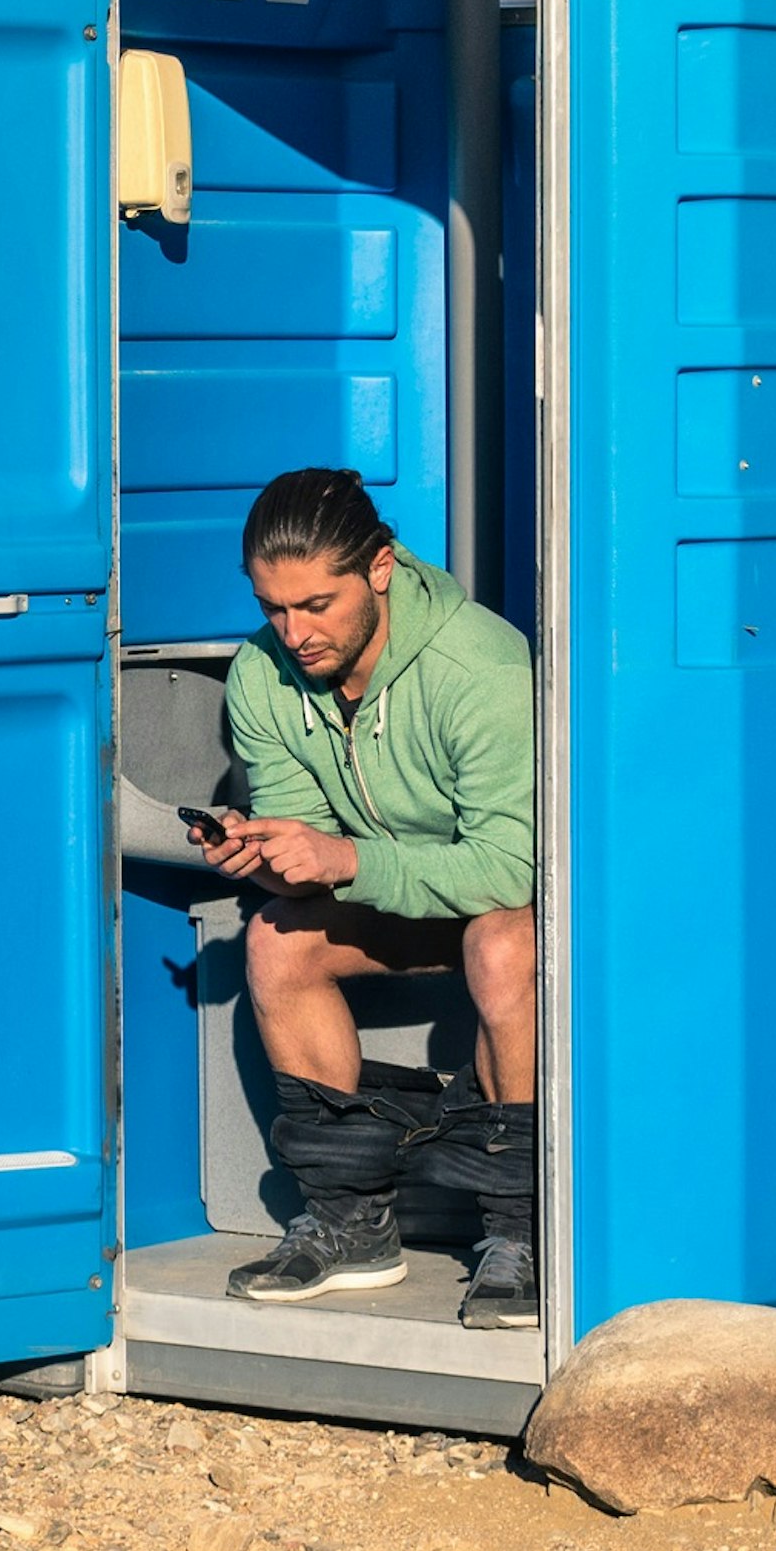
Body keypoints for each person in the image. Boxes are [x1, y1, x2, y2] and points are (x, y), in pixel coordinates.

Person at [187, 467, 540, 1330]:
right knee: (276, 938)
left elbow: (512, 866)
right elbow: (308, 844)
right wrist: (265, 855)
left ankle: (522, 1231)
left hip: (509, 900)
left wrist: (342, 858)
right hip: (391, 892)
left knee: (502, 948)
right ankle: (351, 1226)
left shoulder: (479, 663)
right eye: (274, 608)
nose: (294, 632)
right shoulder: (261, 677)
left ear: (379, 567)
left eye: (316, 605)